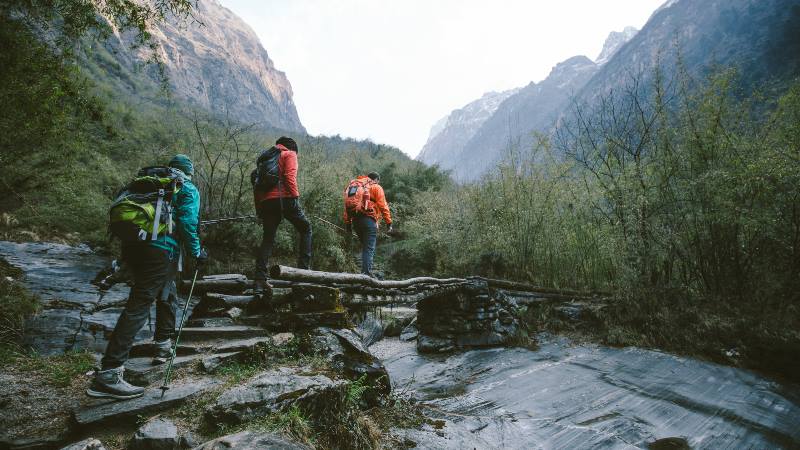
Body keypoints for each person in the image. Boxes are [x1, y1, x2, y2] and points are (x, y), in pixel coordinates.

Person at [86, 154, 207, 400]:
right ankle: (109, 374)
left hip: (136, 246)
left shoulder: (149, 183)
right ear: (188, 172)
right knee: (139, 304)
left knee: (167, 291)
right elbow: (186, 222)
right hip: (160, 249)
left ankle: (162, 344)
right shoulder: (186, 187)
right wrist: (196, 251)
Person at [253, 137, 312, 294]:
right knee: (306, 229)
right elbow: (289, 177)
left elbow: (256, 187)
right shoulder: (289, 154)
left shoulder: (265, 159)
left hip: (266, 202)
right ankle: (303, 274)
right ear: (292, 148)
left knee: (267, 240)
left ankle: (259, 280)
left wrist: (259, 209)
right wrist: (295, 197)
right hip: (285, 198)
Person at [344, 172, 392, 276]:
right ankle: (366, 275)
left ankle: (365, 273)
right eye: (378, 181)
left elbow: (346, 206)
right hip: (369, 220)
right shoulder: (376, 187)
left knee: (366, 247)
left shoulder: (354, 186)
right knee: (368, 249)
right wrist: (389, 222)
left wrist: (348, 224)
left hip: (356, 221)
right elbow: (383, 205)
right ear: (376, 180)